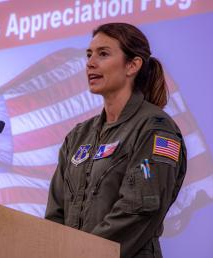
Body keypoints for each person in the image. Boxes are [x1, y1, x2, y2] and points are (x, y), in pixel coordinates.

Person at [45, 23, 187, 258]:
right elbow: (55, 212)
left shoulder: (155, 129)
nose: (90, 63)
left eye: (103, 54)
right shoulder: (79, 136)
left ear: (132, 65)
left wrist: (82, 252)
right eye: (89, 55)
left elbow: (140, 210)